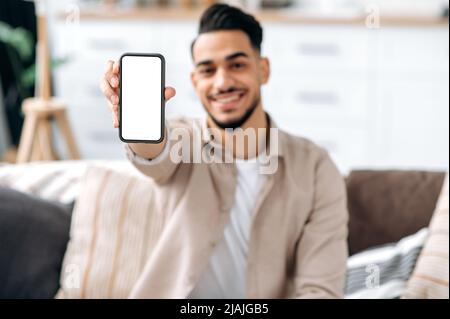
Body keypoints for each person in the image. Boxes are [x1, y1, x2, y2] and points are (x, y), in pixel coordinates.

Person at [100, 3, 348, 299]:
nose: (222, 82)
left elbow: (319, 290)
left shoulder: (316, 169)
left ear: (263, 69)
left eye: (237, 65)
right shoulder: (182, 139)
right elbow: (153, 153)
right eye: (208, 70)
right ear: (195, 82)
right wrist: (137, 119)